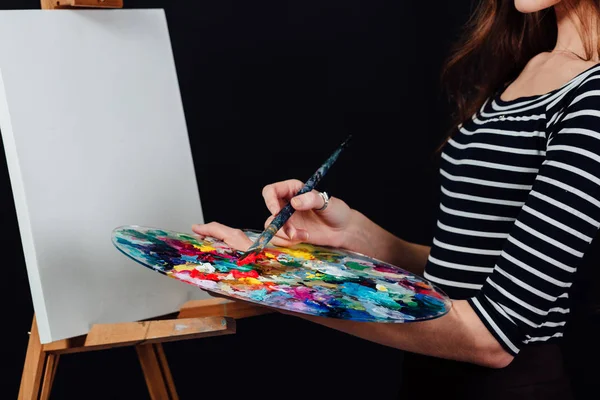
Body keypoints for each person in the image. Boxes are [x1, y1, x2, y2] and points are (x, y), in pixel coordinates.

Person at [192, 0, 600, 398]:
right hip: (429, 377)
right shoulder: (531, 66)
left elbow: (490, 337)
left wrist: (274, 287)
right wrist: (354, 235)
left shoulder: (592, 97)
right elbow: (466, 267)